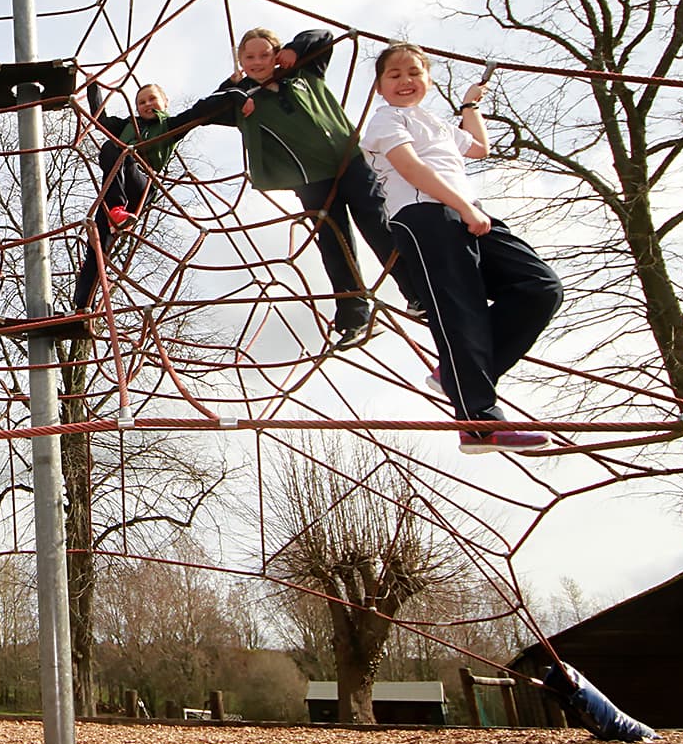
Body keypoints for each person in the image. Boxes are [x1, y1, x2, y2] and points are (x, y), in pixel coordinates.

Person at [359, 42, 560, 453]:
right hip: (425, 216)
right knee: (459, 311)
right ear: (380, 86)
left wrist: (470, 105)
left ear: (428, 80)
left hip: (467, 214)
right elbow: (411, 167)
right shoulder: (385, 120)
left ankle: (455, 376)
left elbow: (478, 147)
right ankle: (479, 423)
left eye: (414, 73)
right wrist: (463, 205)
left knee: (540, 287)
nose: (405, 81)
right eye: (393, 75)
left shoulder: (433, 121)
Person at [201, 28, 421, 348]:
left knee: (378, 225)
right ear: (240, 61)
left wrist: (295, 48)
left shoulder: (305, 71)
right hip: (310, 179)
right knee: (333, 242)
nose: (258, 61)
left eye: (265, 54)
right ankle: (353, 316)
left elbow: (323, 36)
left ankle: (417, 294)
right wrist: (232, 89)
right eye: (249, 57)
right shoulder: (243, 99)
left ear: (277, 55)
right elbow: (206, 112)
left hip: (349, 162)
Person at [71, 80, 223, 311]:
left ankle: (117, 210)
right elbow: (100, 119)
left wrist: (228, 89)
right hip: (116, 186)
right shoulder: (127, 125)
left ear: (164, 102)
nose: (147, 104)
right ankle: (83, 305)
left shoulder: (170, 125)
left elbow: (197, 113)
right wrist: (93, 88)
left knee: (125, 153)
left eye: (152, 99)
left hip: (141, 184)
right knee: (97, 245)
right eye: (141, 102)